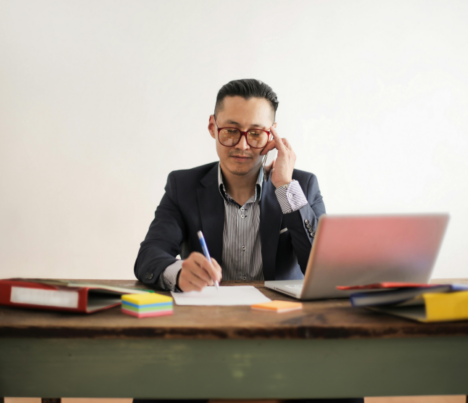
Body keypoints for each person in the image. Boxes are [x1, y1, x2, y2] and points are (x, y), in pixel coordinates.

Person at [133, 79, 363, 403]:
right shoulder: (182, 185)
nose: (242, 145)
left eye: (255, 133)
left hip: (287, 336)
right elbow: (149, 257)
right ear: (213, 127)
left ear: (272, 136)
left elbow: (323, 269)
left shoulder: (302, 185)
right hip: (204, 336)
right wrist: (178, 271)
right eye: (231, 130)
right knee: (153, 385)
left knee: (343, 387)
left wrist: (285, 187)